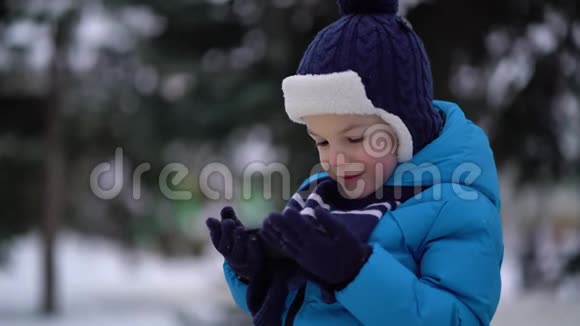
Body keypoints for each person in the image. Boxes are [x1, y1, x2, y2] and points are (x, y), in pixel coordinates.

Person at [206, 0, 504, 325]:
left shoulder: (457, 207)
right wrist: (256, 271)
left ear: (404, 129)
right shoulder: (318, 195)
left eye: (354, 139)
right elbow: (303, 309)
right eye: (321, 141)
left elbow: (461, 319)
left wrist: (357, 274)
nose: (334, 159)